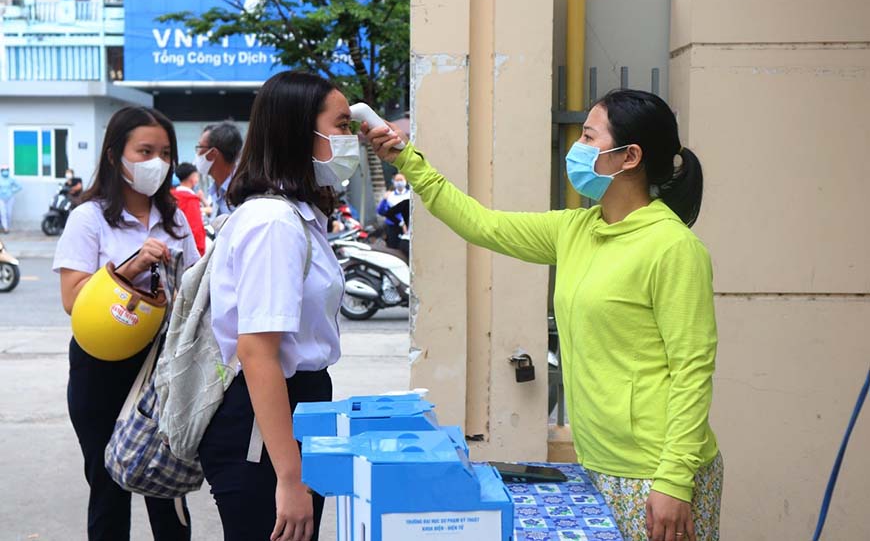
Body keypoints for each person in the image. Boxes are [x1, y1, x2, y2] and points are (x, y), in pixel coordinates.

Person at [365, 89, 723, 541]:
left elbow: (693, 370)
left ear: (629, 156)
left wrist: (674, 480)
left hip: (660, 472)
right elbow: (482, 224)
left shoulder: (674, 249)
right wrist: (406, 159)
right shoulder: (576, 230)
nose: (577, 148)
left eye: (589, 137)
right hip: (598, 461)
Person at [199, 71, 351, 541]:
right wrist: (290, 477)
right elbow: (258, 352)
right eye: (343, 126)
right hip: (265, 424)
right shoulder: (273, 224)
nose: (352, 140)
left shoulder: (298, 216)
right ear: (300, 132)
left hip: (294, 408)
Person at [52, 106, 200, 540]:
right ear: (116, 156)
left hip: (163, 370)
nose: (157, 161)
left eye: (166, 152)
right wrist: (132, 268)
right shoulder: (89, 217)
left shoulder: (175, 220)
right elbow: (72, 299)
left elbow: (196, 290)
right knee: (107, 487)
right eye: (145, 150)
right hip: (101, 368)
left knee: (168, 487)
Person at [193, 121, 243, 220]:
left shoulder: (243, 192)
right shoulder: (216, 190)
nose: (197, 153)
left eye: (200, 147)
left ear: (213, 153)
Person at [171, 162, 206, 255]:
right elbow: (196, 229)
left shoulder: (171, 196)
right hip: (190, 253)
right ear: (193, 178)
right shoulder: (191, 200)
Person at [376, 173, 410, 248]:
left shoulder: (410, 195)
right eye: (397, 180)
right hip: (393, 227)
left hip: (408, 227)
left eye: (401, 180)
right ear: (394, 182)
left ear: (406, 181)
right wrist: (384, 199)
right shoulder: (390, 196)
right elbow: (381, 211)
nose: (399, 182)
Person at [0, 165, 23, 233]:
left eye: (6, 170)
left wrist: (12, 191)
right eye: (4, 170)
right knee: (3, 213)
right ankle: (5, 228)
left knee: (8, 213)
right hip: (1, 198)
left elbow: (19, 186)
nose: (5, 171)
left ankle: (7, 226)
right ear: (1, 171)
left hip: (10, 198)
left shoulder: (11, 179)